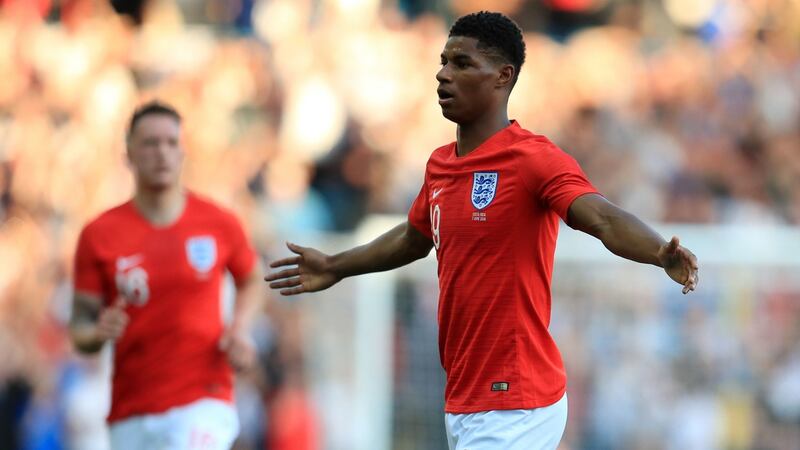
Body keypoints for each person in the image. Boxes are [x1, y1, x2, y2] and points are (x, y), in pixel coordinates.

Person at [265, 11, 699, 450]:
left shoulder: (533, 159)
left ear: (502, 76)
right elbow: (414, 237)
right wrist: (338, 265)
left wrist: (659, 251)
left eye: (462, 64)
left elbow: (601, 217)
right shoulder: (440, 165)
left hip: (515, 396)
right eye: (443, 61)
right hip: (466, 395)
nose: (442, 74)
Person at [69, 101, 263, 450]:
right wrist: (97, 333)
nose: (162, 153)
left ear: (183, 152)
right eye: (150, 143)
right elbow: (79, 326)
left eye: (171, 143)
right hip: (132, 408)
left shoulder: (218, 223)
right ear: (129, 152)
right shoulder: (99, 234)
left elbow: (251, 278)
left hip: (204, 397)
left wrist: (240, 328)